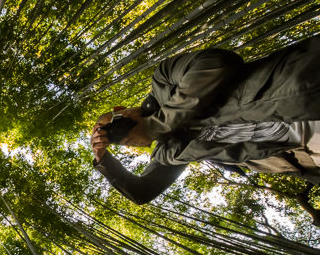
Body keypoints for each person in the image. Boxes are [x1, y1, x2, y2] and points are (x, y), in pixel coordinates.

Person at [91, 36, 320, 204]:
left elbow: (217, 63)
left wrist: (154, 125)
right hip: (305, 155)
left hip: (304, 90)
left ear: (121, 109)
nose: (125, 138)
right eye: (118, 141)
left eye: (116, 125)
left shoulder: (163, 82)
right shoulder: (167, 152)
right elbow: (142, 192)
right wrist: (104, 160)